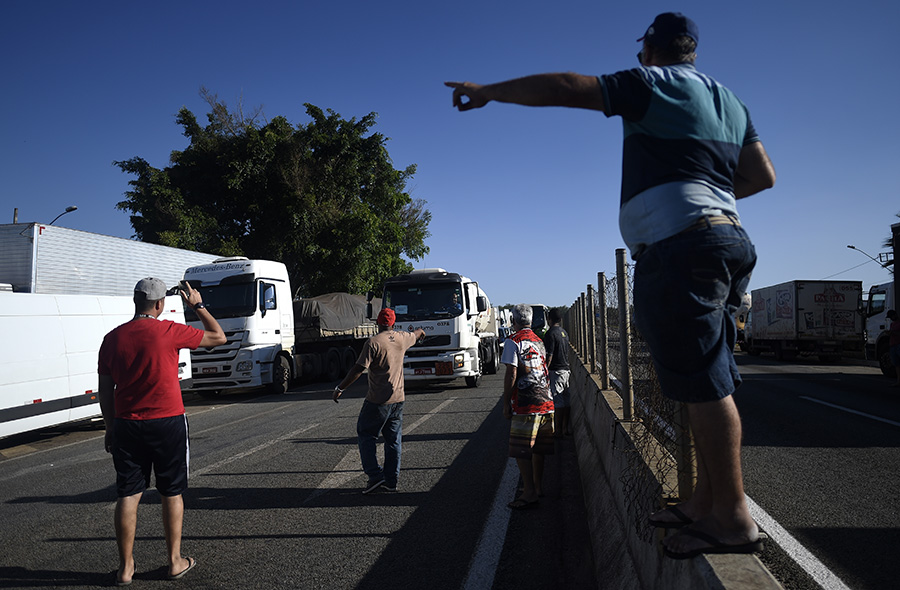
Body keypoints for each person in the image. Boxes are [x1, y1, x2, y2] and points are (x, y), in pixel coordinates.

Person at [446, 12, 775, 558]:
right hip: (725, 239)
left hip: (682, 247)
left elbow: (566, 86)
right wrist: (711, 192)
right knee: (703, 377)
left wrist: (488, 93)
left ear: (650, 48)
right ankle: (704, 501)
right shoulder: (729, 100)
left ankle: (734, 517)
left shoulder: (651, 82)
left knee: (705, 382)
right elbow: (762, 175)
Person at [98, 278, 226, 585]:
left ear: (135, 302)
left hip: (127, 423)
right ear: (160, 305)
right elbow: (218, 337)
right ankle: (174, 561)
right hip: (167, 421)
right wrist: (197, 304)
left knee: (128, 494)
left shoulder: (112, 339)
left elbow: (106, 390)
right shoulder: (170, 330)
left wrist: (110, 426)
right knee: (171, 491)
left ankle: (125, 568)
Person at [333, 308, 425, 493]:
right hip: (398, 399)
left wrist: (340, 388)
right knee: (393, 440)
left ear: (377, 322)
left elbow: (358, 369)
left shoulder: (373, 342)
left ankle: (375, 475)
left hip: (378, 400)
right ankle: (391, 481)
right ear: (393, 322)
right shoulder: (402, 338)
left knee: (366, 434)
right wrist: (421, 333)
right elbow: (417, 333)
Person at [501, 303, 554, 509]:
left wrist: (506, 403)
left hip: (526, 404)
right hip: (546, 401)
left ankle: (529, 492)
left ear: (513, 321)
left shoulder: (513, 341)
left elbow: (511, 373)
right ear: (531, 321)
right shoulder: (539, 341)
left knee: (521, 449)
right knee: (539, 449)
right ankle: (537, 487)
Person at [543, 308, 572, 437]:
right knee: (567, 402)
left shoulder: (550, 334)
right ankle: (565, 428)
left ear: (549, 319)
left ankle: (558, 430)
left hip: (556, 371)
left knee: (558, 402)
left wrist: (544, 372)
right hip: (566, 370)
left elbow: (549, 355)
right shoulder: (564, 332)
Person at [888, 310, 900, 387]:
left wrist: (893, 333)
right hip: (893, 345)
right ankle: (899, 380)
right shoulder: (892, 324)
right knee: (896, 364)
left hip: (899, 344)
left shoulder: (899, 324)